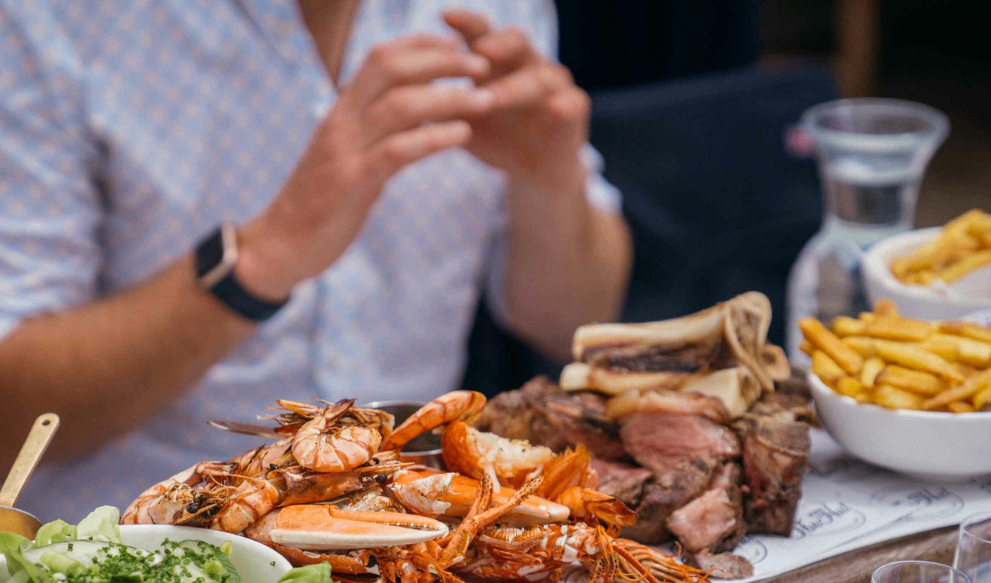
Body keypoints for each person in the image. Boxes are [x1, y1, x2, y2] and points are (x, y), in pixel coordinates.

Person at [0, 1, 631, 521]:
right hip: (135, 563)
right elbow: (13, 411)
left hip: (426, 539)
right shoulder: (51, 19)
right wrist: (264, 256)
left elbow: (572, 321)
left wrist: (552, 184)